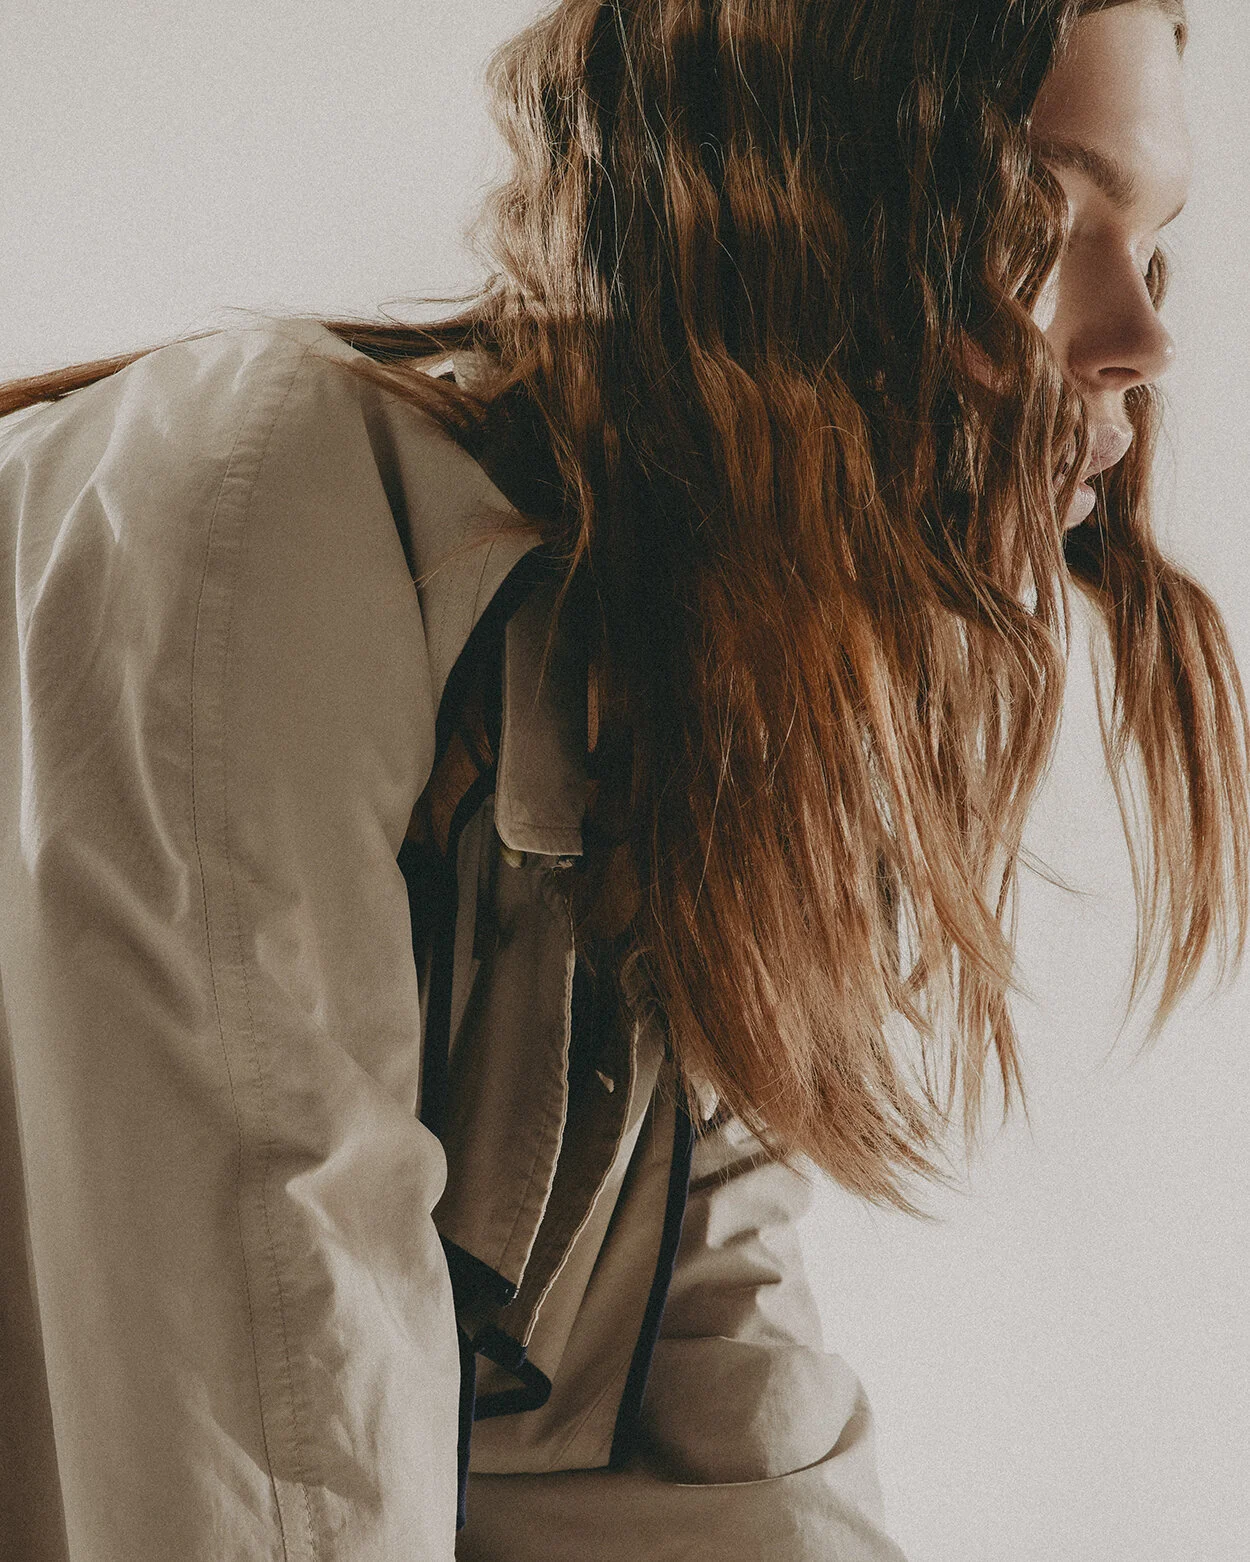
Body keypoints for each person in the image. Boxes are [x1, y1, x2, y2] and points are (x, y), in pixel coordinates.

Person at [0, 1, 1242, 1558]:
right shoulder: (268, 503)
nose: (1141, 340)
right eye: (1033, 225)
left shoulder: (729, 703)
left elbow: (722, 1421)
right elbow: (263, 1434)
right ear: (780, 209)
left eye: (1152, 244)